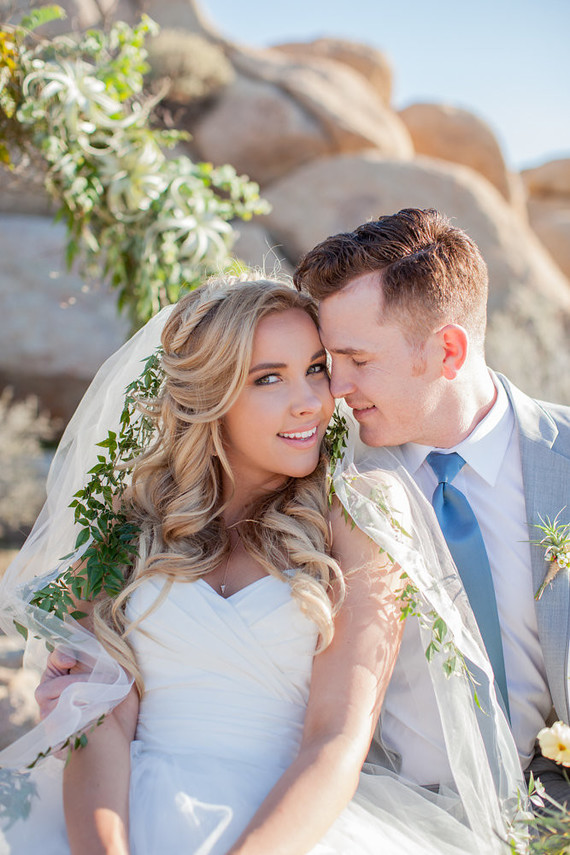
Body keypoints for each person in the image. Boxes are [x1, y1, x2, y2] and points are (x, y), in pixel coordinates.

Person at [0, 276, 522, 855]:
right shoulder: (131, 526)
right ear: (210, 395)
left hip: (292, 823)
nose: (310, 401)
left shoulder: (359, 514)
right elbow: (100, 724)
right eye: (268, 378)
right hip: (120, 807)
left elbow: (337, 737)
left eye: (317, 369)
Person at [294, 207, 570, 806]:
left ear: (447, 350)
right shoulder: (327, 477)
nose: (336, 388)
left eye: (359, 360)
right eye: (331, 362)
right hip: (389, 819)